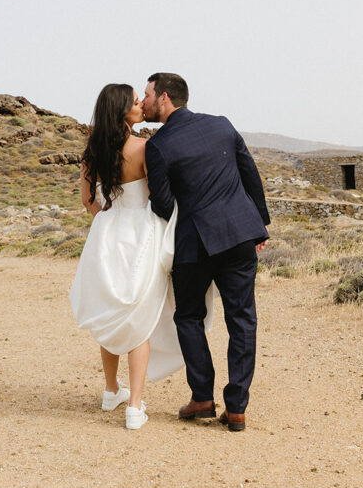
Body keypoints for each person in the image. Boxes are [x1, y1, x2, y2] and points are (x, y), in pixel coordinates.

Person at [142, 72, 270, 432]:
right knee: (242, 319)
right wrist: (259, 224)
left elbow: (163, 204)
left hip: (194, 245)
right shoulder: (221, 125)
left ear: (164, 98)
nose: (145, 101)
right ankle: (237, 407)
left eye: (148, 94)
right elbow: (250, 174)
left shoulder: (159, 145)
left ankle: (201, 398)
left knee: (188, 317)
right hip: (240, 235)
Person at [69, 83, 187, 430]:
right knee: (139, 318)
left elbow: (88, 201)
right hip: (141, 232)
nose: (141, 107)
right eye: (136, 103)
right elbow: (160, 197)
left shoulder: (92, 151)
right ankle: (134, 406)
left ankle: (111, 391)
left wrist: (107, 220)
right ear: (123, 111)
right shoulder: (144, 148)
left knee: (111, 314)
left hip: (108, 231)